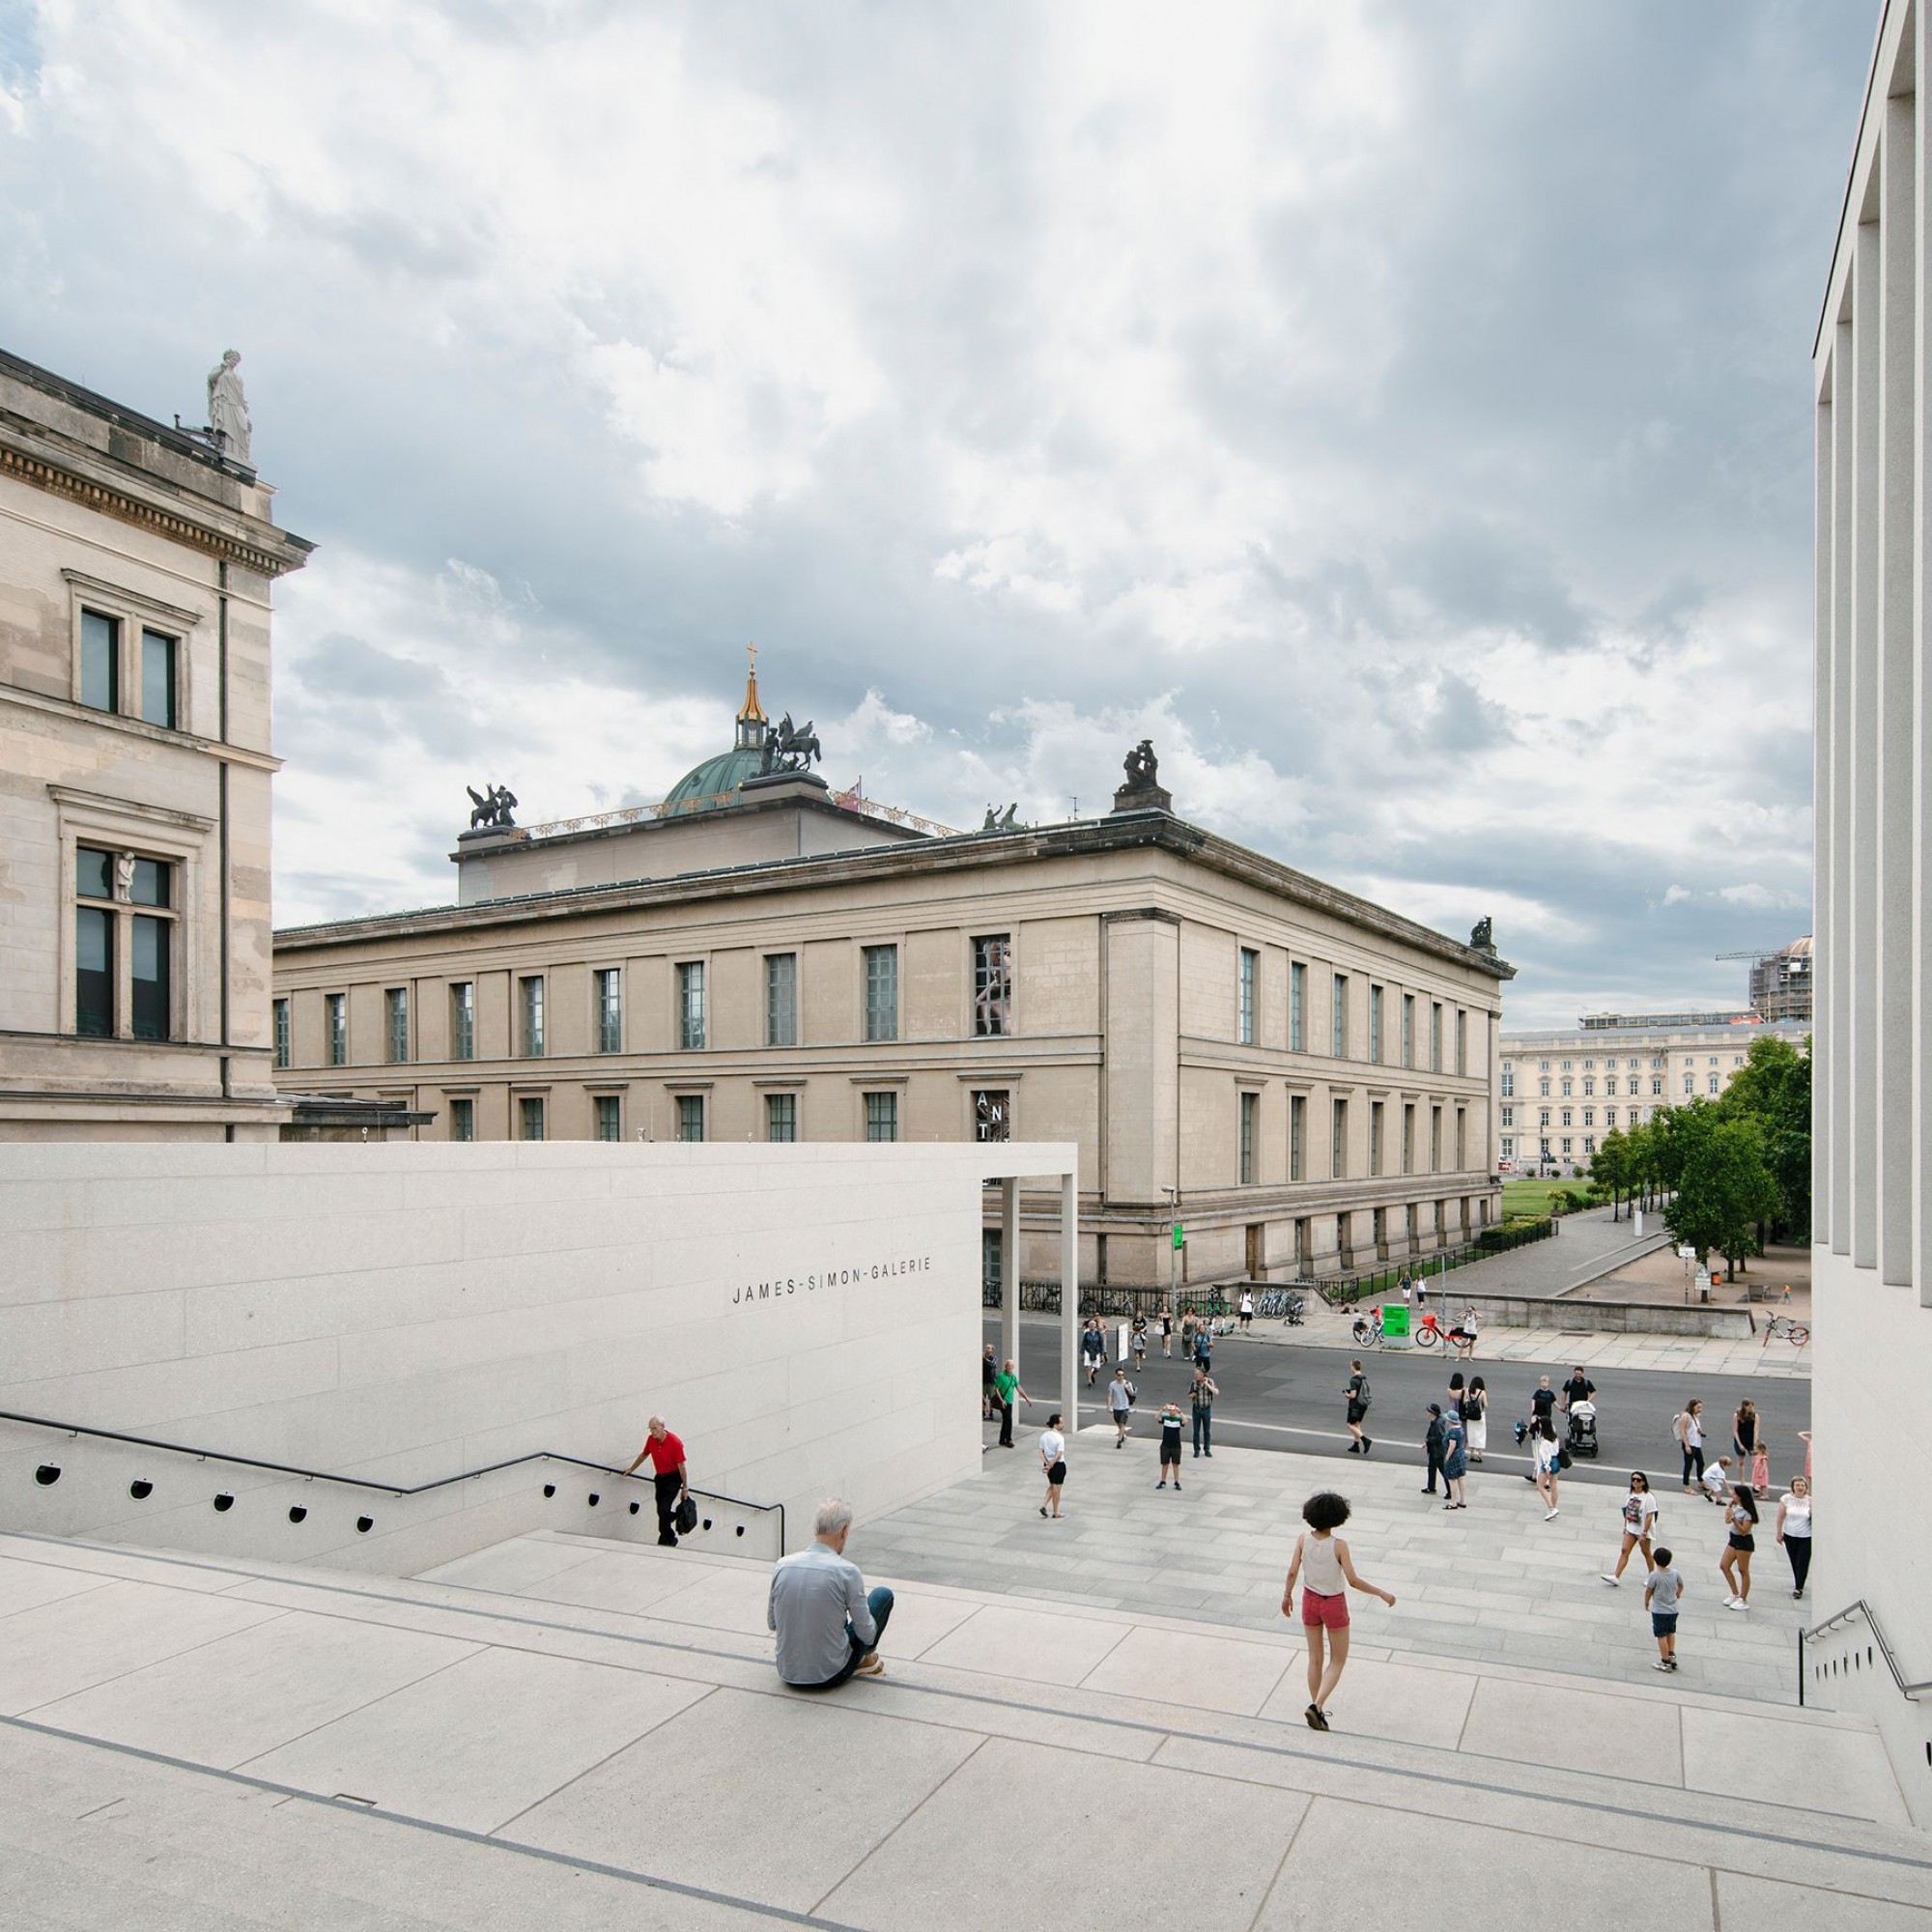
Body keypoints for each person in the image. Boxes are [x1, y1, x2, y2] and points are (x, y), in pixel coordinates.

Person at [1280, 1490, 1397, 1731]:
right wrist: (1381, 1593)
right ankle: (1317, 1706)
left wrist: (1287, 1595)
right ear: (1338, 1517)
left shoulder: (1303, 1539)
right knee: (1338, 1659)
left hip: (1309, 1600)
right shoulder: (1339, 1546)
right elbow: (1353, 1580)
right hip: (1333, 1603)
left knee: (1314, 1658)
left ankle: (1317, 1708)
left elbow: (1292, 1571)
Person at [768, 1497, 892, 1687]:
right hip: (831, 1674)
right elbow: (866, 1634)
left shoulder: (782, 1565)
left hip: (787, 1671)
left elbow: (773, 1623)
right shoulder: (847, 1572)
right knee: (882, 1596)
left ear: (815, 1529)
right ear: (844, 1531)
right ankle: (863, 1659)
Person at [623, 1415, 689, 1548]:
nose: (652, 1432)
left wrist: (685, 1487)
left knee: (664, 1509)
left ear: (663, 1427)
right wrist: (631, 1469)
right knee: (661, 1511)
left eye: (655, 1428)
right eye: (650, 1429)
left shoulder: (675, 1442)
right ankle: (666, 1537)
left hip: (673, 1478)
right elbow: (644, 1455)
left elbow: (682, 1466)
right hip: (660, 1478)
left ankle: (670, 1537)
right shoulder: (651, 1440)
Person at [1601, 1471, 1659, 1584]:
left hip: (1642, 1530)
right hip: (1631, 1528)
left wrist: (1644, 1532)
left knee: (1646, 1552)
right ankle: (1616, 1576)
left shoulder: (1649, 1497)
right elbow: (1626, 1511)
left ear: (1644, 1482)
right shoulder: (1629, 1494)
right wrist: (1625, 1525)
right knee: (1624, 1551)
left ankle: (1652, 1576)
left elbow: (1649, 1516)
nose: (1635, 1482)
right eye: (1633, 1480)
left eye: (1638, 1480)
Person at [1719, 1483, 1759, 1610]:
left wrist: (1734, 1519)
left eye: (1735, 1494)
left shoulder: (1748, 1513)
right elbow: (1727, 1521)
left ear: (1741, 1496)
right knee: (1724, 1565)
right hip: (1733, 1539)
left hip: (1743, 1542)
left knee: (1743, 1570)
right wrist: (1729, 1510)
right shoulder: (1736, 1507)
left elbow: (1744, 1531)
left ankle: (1743, 1598)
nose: (1733, 1495)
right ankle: (1735, 1593)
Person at [1645, 1546, 1684, 1672]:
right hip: (1673, 1609)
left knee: (1661, 1635)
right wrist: (1678, 1593)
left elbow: (1649, 1591)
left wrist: (1646, 1602)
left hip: (1659, 1610)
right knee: (1670, 1632)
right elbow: (1681, 1585)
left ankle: (1665, 1661)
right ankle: (1671, 1655)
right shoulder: (1675, 1573)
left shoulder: (1654, 1575)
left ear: (1655, 1559)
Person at [1776, 1475, 1812, 1600]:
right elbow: (1780, 1517)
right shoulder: (1786, 1499)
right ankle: (1799, 1579)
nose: (1800, 1487)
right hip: (1790, 1534)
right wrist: (1779, 1533)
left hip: (1806, 1536)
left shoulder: (1810, 1501)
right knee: (1794, 1559)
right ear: (1793, 1487)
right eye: (1797, 1485)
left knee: (1803, 1561)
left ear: (1806, 1487)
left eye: (1802, 1485)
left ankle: (1799, 1587)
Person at [991, 1357, 1029, 1449]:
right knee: (1009, 1420)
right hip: (1003, 1402)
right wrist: (1002, 1400)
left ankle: (1001, 1439)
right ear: (1005, 1366)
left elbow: (1018, 1387)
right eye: (1008, 1366)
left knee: (1006, 1420)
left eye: (1011, 1366)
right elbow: (996, 1389)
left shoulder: (1013, 1377)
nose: (1010, 1367)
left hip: (1009, 1402)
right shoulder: (1001, 1376)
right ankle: (1008, 1439)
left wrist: (1026, 1398)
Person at [1733, 1398, 1768, 1495]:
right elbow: (1735, 1430)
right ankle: (1742, 1482)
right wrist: (1739, 1444)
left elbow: (1756, 1430)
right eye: (1749, 1406)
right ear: (1744, 1406)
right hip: (1740, 1440)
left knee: (1755, 1463)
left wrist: (1755, 1444)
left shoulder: (1755, 1416)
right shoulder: (1737, 1415)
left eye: (1752, 1406)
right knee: (1741, 1462)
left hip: (1751, 1441)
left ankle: (1756, 1483)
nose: (1751, 1408)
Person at [1531, 1413, 1562, 1520]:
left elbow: (1545, 1457)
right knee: (1554, 1486)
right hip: (1556, 1461)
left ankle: (1551, 1508)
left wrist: (1547, 1468)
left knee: (1540, 1486)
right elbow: (1556, 1452)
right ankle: (1554, 1506)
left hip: (1548, 1463)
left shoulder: (1544, 1442)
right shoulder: (1555, 1439)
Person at [1038, 1413, 1066, 1519]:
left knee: (1052, 1485)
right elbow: (1059, 1454)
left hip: (1047, 1464)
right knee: (1057, 1489)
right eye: (1061, 1423)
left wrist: (1047, 1463)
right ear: (1055, 1424)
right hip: (1058, 1466)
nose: (1063, 1424)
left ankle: (1044, 1505)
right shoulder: (1059, 1438)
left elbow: (1040, 1452)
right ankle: (1056, 1512)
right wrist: (1051, 1464)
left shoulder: (1044, 1436)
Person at [1674, 1399, 1706, 1492]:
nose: (1700, 1409)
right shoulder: (1685, 1416)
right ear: (1692, 1406)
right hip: (1689, 1444)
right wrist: (1687, 1445)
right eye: (1698, 1407)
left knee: (1701, 1463)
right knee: (1688, 1465)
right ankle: (1687, 1485)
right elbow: (1682, 1431)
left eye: (1701, 1407)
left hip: (1696, 1444)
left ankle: (1700, 1481)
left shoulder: (1695, 1416)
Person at [1441, 1403, 1468, 1510]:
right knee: (1461, 1478)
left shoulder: (1452, 1431)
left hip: (1454, 1457)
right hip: (1461, 1454)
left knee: (1452, 1480)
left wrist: (1447, 1457)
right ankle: (1463, 1500)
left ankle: (1453, 1502)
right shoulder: (1460, 1429)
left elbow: (1452, 1446)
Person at [1344, 1359, 1373, 1455]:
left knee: (1350, 1425)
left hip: (1356, 1405)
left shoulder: (1353, 1380)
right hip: (1363, 1405)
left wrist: (1347, 1395)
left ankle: (1365, 1440)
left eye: (1350, 1365)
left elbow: (1353, 1395)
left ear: (1353, 1367)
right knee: (1356, 1424)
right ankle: (1356, 1445)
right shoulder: (1363, 1378)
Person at [1190, 1364, 1219, 1457]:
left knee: (1207, 1431)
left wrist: (1206, 1384)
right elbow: (1189, 1396)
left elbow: (1216, 1392)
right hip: (1196, 1409)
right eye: (1195, 1374)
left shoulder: (1210, 1381)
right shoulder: (1193, 1383)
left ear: (1203, 1374)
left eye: (1197, 1374)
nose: (1196, 1376)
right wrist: (1194, 1394)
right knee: (1196, 1431)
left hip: (1206, 1409)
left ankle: (1207, 1449)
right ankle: (1196, 1450)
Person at [1155, 1401, 1185, 1490]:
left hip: (1176, 1445)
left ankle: (1176, 1482)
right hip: (1165, 1445)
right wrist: (1162, 1409)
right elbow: (1157, 1417)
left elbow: (1185, 1421)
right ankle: (1163, 1480)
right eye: (1170, 1409)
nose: (1172, 1411)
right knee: (1165, 1463)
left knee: (1175, 1464)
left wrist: (1180, 1413)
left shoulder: (1178, 1419)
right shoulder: (1165, 1418)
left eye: (1174, 1409)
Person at [1422, 1404, 1449, 1497]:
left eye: (1428, 1412)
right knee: (1431, 1468)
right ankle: (1431, 1487)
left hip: (1438, 1451)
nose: (1427, 1413)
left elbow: (1440, 1437)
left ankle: (1450, 1491)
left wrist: (1428, 1440)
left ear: (1432, 1413)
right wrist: (1427, 1440)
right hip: (1433, 1449)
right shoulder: (1435, 1421)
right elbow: (1430, 1432)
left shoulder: (1437, 1423)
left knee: (1443, 1471)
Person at [1108, 1363, 1136, 1446]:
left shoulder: (1127, 1383)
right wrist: (1109, 1406)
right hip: (1116, 1407)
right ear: (1116, 1375)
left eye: (1122, 1375)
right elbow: (1110, 1395)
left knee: (1122, 1423)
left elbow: (1132, 1394)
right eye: (1119, 1375)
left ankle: (1119, 1441)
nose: (1121, 1377)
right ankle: (1122, 1434)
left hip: (1125, 1407)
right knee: (1119, 1423)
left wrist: (1128, 1388)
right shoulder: (1112, 1384)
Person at [1463, 1375, 1488, 1463]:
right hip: (1480, 1416)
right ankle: (1479, 1455)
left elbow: (1464, 1402)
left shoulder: (1467, 1391)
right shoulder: (1482, 1392)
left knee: (1472, 1435)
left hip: (1470, 1416)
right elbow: (1486, 1405)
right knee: (1481, 1435)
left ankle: (1472, 1454)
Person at [1080, 1320, 1106, 1387]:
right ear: (1088, 1326)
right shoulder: (1086, 1333)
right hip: (1088, 1351)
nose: (1092, 1326)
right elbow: (1084, 1343)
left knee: (1097, 1368)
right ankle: (1089, 1381)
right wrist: (1082, 1353)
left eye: (1093, 1324)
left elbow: (1101, 1344)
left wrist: (1102, 1354)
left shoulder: (1098, 1333)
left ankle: (1091, 1374)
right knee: (1088, 1366)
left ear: (1095, 1326)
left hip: (1096, 1351)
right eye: (1090, 1324)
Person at [980, 1344, 998, 1423]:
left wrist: (983, 1359)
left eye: (989, 1348)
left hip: (991, 1382)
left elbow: (991, 1365)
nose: (987, 1349)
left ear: (992, 1350)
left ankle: (991, 1412)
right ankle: (983, 1412)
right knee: (982, 1398)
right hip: (983, 1381)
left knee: (991, 1398)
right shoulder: (982, 1358)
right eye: (986, 1348)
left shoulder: (994, 1358)